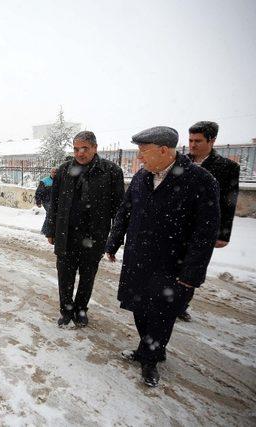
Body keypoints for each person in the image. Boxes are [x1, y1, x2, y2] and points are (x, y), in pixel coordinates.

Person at [105, 126, 220, 387]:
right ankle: (149, 347)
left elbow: (205, 233)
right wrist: (113, 242)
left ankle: (150, 359)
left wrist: (191, 274)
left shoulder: (200, 180)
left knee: (161, 314)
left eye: (143, 152)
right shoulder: (141, 178)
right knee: (138, 309)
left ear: (164, 150)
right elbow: (125, 212)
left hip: (171, 264)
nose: (139, 158)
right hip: (138, 259)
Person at [45, 131, 124, 327]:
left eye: (84, 149)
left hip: (94, 235)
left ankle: (81, 310)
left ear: (95, 148)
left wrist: (114, 239)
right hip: (66, 234)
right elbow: (54, 203)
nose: (80, 153)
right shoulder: (64, 170)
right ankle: (66, 310)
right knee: (65, 275)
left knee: (87, 276)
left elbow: (119, 209)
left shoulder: (111, 172)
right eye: (76, 149)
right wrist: (51, 230)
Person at [178, 121, 240, 322]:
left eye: (198, 141)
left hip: (204, 228)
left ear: (212, 141)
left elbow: (228, 203)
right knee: (172, 264)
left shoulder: (227, 168)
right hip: (176, 225)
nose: (192, 145)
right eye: (190, 140)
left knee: (193, 266)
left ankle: (181, 305)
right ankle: (167, 300)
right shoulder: (180, 163)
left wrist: (223, 234)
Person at [35, 167, 57, 235]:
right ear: (50, 172)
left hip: (55, 201)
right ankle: (46, 230)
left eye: (56, 172)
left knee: (50, 215)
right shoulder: (44, 181)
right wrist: (38, 201)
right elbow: (39, 192)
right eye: (53, 172)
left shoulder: (59, 180)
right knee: (50, 213)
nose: (54, 173)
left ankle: (45, 230)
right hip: (46, 201)